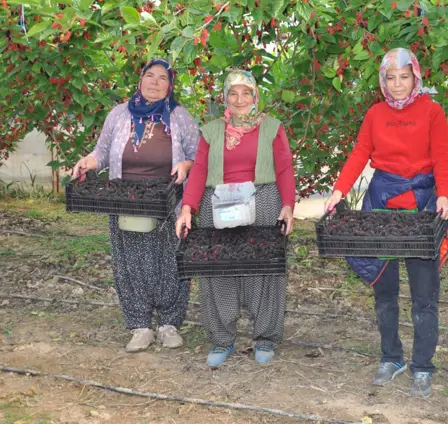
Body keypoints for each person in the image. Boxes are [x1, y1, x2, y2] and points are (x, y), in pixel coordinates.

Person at [325, 48, 448, 399]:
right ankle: (391, 357)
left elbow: (443, 156)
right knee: (384, 288)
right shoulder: (375, 114)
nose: (398, 84)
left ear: (416, 76)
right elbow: (359, 154)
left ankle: (423, 366)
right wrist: (339, 191)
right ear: (383, 80)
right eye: (391, 77)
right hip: (382, 202)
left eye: (404, 76)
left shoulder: (432, 111)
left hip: (423, 204)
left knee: (424, 292)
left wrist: (445, 194)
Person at [71, 59, 200, 352]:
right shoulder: (119, 114)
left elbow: (197, 154)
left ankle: (169, 324)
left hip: (167, 199)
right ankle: (140, 325)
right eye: (149, 76)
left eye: (162, 78)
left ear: (170, 85)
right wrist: (86, 162)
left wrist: (186, 164)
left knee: (171, 260)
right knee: (130, 262)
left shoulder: (179, 116)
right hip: (126, 198)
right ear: (140, 80)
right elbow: (101, 152)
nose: (155, 82)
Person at [175, 70, 295, 367]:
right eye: (233, 93)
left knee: (263, 269)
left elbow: (284, 169)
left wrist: (289, 205)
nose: (239, 99)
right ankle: (221, 339)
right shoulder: (211, 130)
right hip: (219, 203)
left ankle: (265, 337)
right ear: (224, 97)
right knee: (217, 268)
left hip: (264, 200)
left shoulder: (272, 128)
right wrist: (188, 207)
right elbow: (199, 170)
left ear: (255, 95)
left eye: (246, 93)